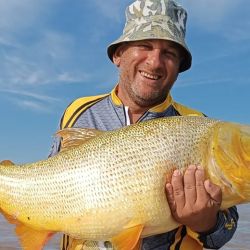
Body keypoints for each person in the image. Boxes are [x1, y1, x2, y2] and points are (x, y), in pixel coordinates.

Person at [49, 0, 238, 249]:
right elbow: (49, 181)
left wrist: (206, 223)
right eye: (144, 46)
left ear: (179, 67)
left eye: (169, 53)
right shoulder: (78, 111)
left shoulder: (199, 127)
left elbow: (228, 225)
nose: (155, 62)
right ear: (118, 55)